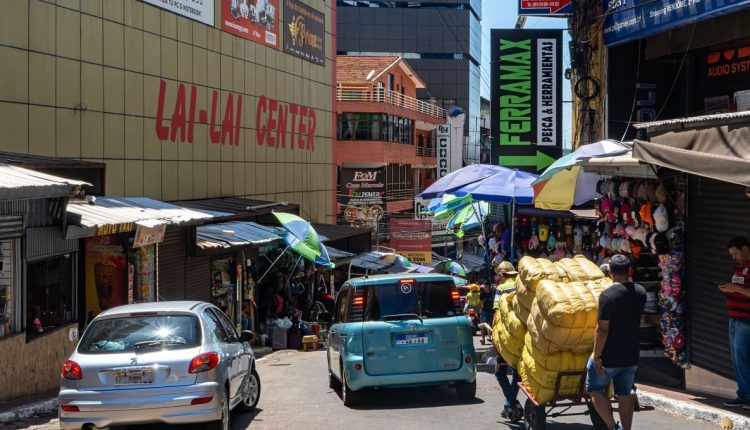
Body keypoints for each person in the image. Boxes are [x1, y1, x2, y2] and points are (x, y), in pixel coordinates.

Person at [587, 254, 646, 430]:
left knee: (595, 389)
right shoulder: (641, 292)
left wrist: (596, 356)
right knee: (624, 393)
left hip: (609, 356)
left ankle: (613, 427)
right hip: (631, 354)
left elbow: (602, 330)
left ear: (610, 272)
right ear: (629, 271)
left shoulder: (607, 296)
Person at [719, 236, 750, 408]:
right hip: (735, 318)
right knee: (738, 360)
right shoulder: (740, 266)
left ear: (745, 248)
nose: (734, 257)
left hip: (746, 320)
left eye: (735, 253)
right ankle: (743, 394)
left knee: (744, 358)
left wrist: (735, 289)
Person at [491, 261, 522, 420]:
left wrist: (494, 338)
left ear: (502, 275)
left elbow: (497, 313)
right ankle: (508, 405)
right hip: (523, 336)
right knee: (517, 373)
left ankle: (512, 403)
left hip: (507, 338)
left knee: (500, 372)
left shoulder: (501, 288)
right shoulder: (521, 285)